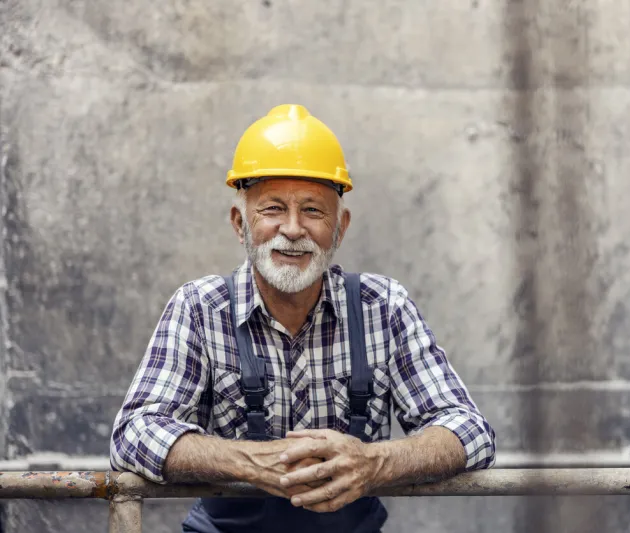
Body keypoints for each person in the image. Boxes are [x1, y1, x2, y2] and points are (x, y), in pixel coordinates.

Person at [109, 104, 496, 533]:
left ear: (340, 227)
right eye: (272, 208)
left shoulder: (383, 307)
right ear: (240, 223)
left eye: (313, 211)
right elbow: (133, 434)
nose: (293, 229)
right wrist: (251, 462)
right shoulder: (200, 309)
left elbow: (469, 430)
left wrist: (375, 461)